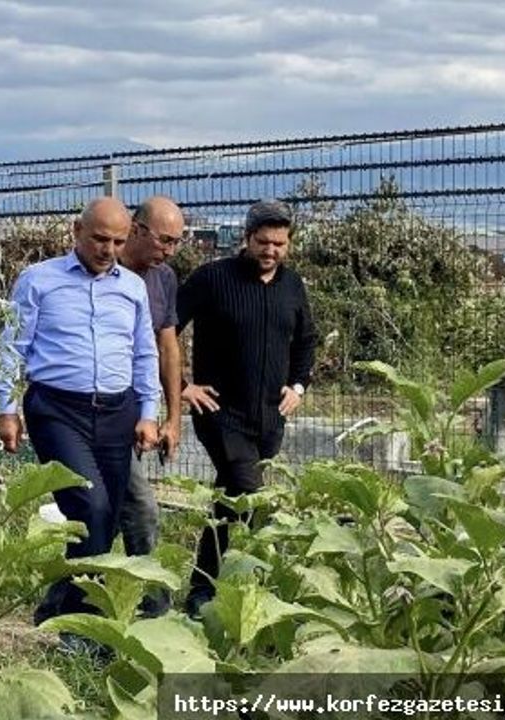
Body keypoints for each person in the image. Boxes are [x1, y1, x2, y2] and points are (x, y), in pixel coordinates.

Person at [0, 196, 160, 631]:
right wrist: (6, 409)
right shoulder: (38, 281)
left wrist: (148, 412)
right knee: (91, 508)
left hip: (115, 412)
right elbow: (12, 347)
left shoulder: (132, 288)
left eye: (119, 241)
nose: (108, 250)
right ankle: (85, 628)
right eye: (100, 239)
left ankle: (59, 609)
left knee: (104, 517)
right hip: (57, 410)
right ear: (76, 231)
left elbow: (145, 353)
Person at [175, 199, 318, 618]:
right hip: (220, 413)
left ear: (288, 244)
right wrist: (182, 387)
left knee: (231, 499)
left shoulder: (293, 286)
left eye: (279, 243)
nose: (270, 250)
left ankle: (205, 592)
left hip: (270, 417)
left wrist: (298, 385)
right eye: (262, 242)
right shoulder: (212, 278)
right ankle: (246, 589)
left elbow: (306, 341)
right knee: (250, 494)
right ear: (246, 238)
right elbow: (163, 329)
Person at [113, 196, 185, 618]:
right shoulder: (106, 269)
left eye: (177, 242)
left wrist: (172, 418)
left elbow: (168, 347)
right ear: (137, 230)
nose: (170, 251)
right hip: (99, 408)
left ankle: (148, 608)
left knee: (131, 506)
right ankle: (150, 609)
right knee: (134, 505)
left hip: (136, 411)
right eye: (164, 240)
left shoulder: (164, 279)